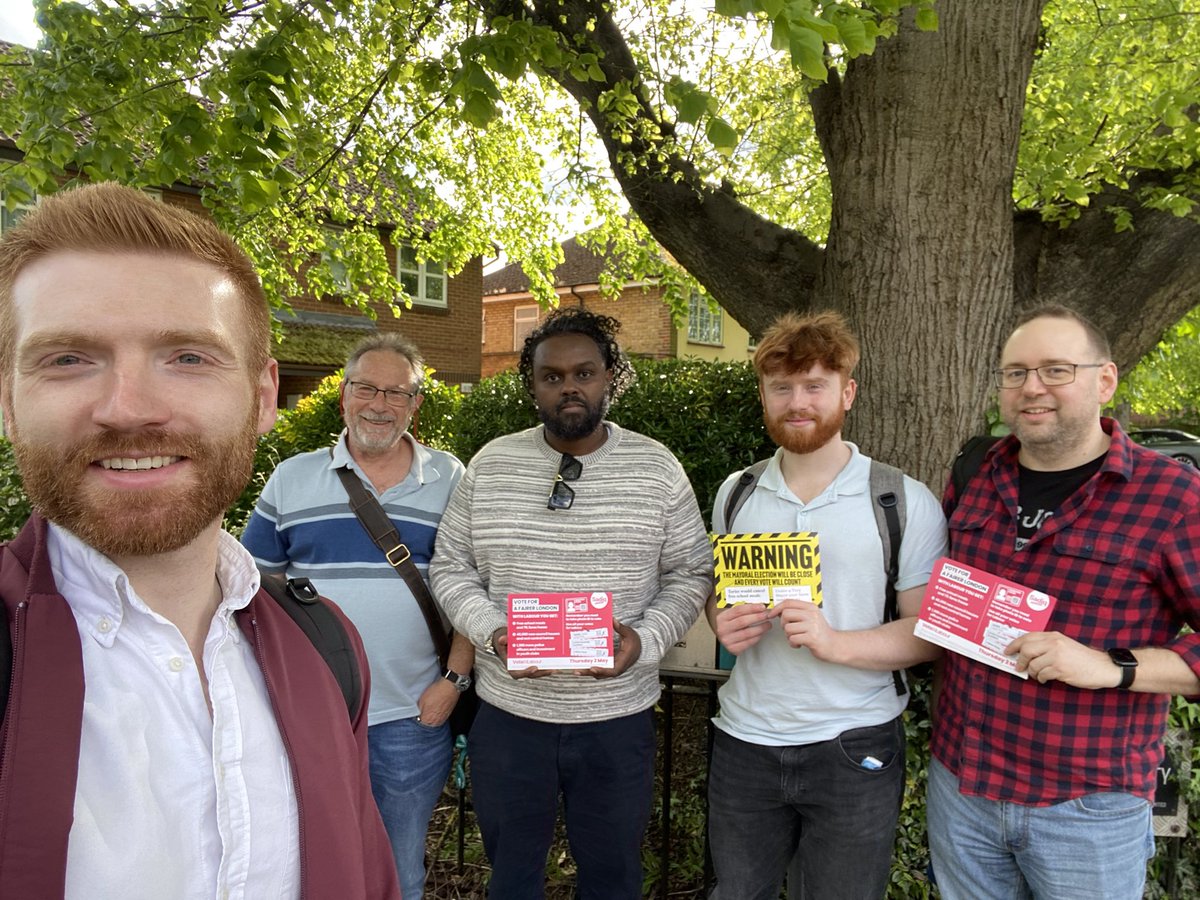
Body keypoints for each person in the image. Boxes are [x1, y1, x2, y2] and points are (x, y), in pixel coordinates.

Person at [0, 182, 398, 898]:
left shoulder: (327, 648)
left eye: (188, 357)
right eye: (67, 359)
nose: (130, 409)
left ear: (265, 393)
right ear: (6, 399)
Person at [429, 305, 713, 899]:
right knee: (510, 877)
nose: (569, 388)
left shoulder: (657, 468)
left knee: (613, 878)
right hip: (509, 719)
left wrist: (646, 639)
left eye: (584, 373)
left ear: (610, 375)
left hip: (616, 719)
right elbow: (451, 566)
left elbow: (691, 571)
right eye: (552, 376)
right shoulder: (491, 464)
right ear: (531, 384)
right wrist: (493, 632)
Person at [928, 305, 1200, 900]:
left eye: (1056, 370)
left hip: (1087, 806)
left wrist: (1112, 666)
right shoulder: (973, 473)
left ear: (1105, 380)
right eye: (1015, 372)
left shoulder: (1173, 496)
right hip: (962, 788)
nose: (1031, 388)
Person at [705, 311, 948, 900]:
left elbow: (930, 633)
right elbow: (720, 597)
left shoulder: (900, 499)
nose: (798, 402)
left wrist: (833, 641)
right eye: (781, 387)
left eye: (815, 385)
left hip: (855, 744)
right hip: (744, 741)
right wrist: (722, 620)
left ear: (848, 392)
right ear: (763, 394)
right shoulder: (736, 493)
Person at [241, 332, 470, 900]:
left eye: (397, 392)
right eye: (366, 387)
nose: (379, 403)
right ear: (343, 395)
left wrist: (453, 681)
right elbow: (246, 590)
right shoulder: (292, 478)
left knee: (400, 871)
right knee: (312, 862)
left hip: (412, 717)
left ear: (415, 405)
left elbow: (475, 587)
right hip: (311, 714)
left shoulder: (452, 480)